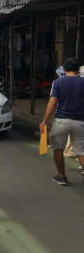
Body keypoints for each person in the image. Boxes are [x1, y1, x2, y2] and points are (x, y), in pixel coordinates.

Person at [39, 57, 84, 186]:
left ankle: (62, 176)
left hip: (62, 121)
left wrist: (45, 121)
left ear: (64, 69)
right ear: (78, 69)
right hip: (80, 122)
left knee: (58, 148)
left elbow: (52, 103)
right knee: (81, 151)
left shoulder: (58, 82)